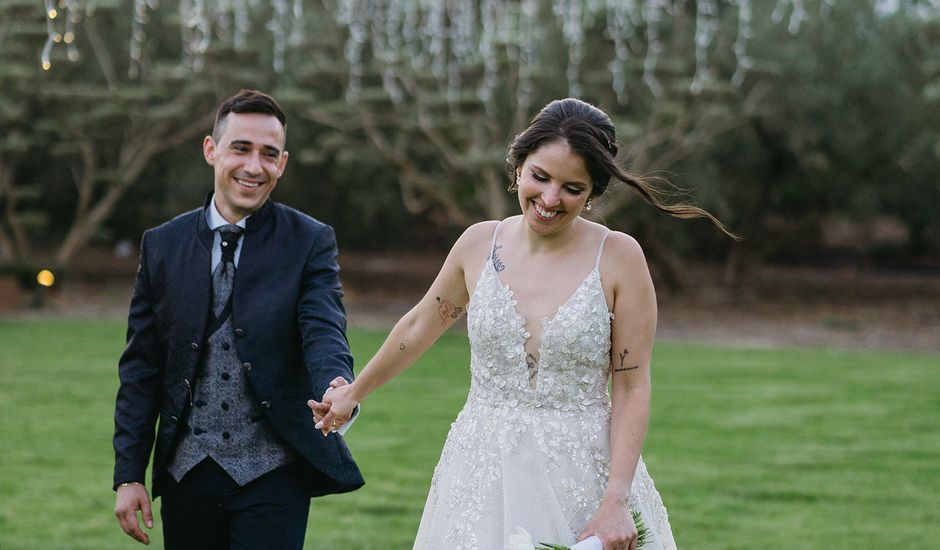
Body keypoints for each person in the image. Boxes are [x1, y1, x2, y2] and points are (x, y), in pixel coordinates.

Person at [312, 97, 735, 550]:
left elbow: (632, 386)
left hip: (584, 474)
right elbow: (420, 325)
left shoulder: (619, 258)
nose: (550, 200)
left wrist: (616, 499)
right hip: (481, 471)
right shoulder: (478, 245)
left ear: (593, 193)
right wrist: (354, 394)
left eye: (573, 188)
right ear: (518, 166)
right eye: (540, 177)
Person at [112, 89, 363, 548]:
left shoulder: (309, 241)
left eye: (269, 154)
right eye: (241, 149)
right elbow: (140, 368)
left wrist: (337, 383)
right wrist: (129, 474)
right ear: (212, 151)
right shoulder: (162, 245)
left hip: (274, 470)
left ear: (282, 163)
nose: (254, 166)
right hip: (186, 471)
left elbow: (324, 325)